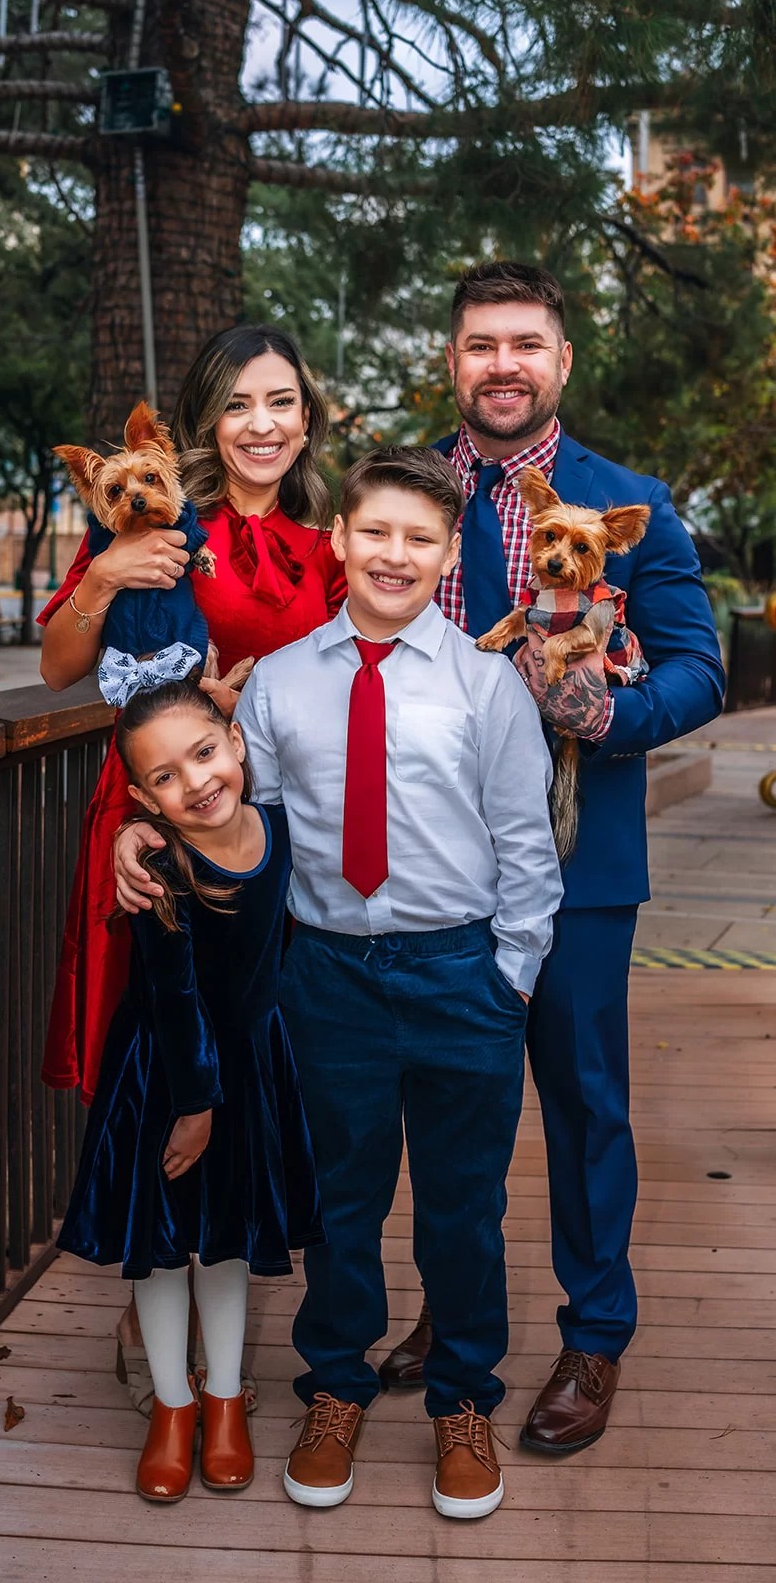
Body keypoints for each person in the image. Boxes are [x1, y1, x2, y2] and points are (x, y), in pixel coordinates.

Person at [374, 262, 726, 1452]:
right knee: (445, 1102)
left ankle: (594, 1334)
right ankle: (452, 1305)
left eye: (524, 343)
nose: (503, 364)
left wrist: (609, 714)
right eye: (480, 344)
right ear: (452, 361)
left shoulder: (629, 502)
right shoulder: (403, 491)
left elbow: (696, 667)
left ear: (560, 360)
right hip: (432, 856)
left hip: (580, 866)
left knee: (581, 1102)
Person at [235, 446, 562, 1517]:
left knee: (463, 1208)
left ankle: (462, 1400)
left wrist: (510, 979)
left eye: (419, 538)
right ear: (339, 538)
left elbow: (524, 845)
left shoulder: (484, 684)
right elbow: (252, 833)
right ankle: (336, 1387)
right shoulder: (280, 681)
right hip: (327, 977)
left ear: (446, 555)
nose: (394, 554)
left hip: (459, 975)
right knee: (341, 1204)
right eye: (374, 530)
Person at [38, 324, 345, 1405]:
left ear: (306, 416)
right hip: (159, 821)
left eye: (280, 402)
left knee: (258, 1052)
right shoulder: (153, 515)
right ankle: (151, 1283)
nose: (260, 425)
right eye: (235, 404)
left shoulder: (331, 540)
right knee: (160, 1048)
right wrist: (101, 575)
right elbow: (59, 667)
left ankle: (232, 1285)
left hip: (280, 838)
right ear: (205, 421)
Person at [57, 669, 324, 1504]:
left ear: (236, 744)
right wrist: (195, 1105)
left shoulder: (281, 830)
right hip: (168, 1077)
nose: (197, 782)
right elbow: (172, 996)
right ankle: (172, 1406)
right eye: (165, 777)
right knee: (165, 1246)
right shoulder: (157, 866)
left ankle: (225, 1398)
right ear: (142, 797)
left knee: (228, 1240)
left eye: (205, 754)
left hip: (249, 1067)